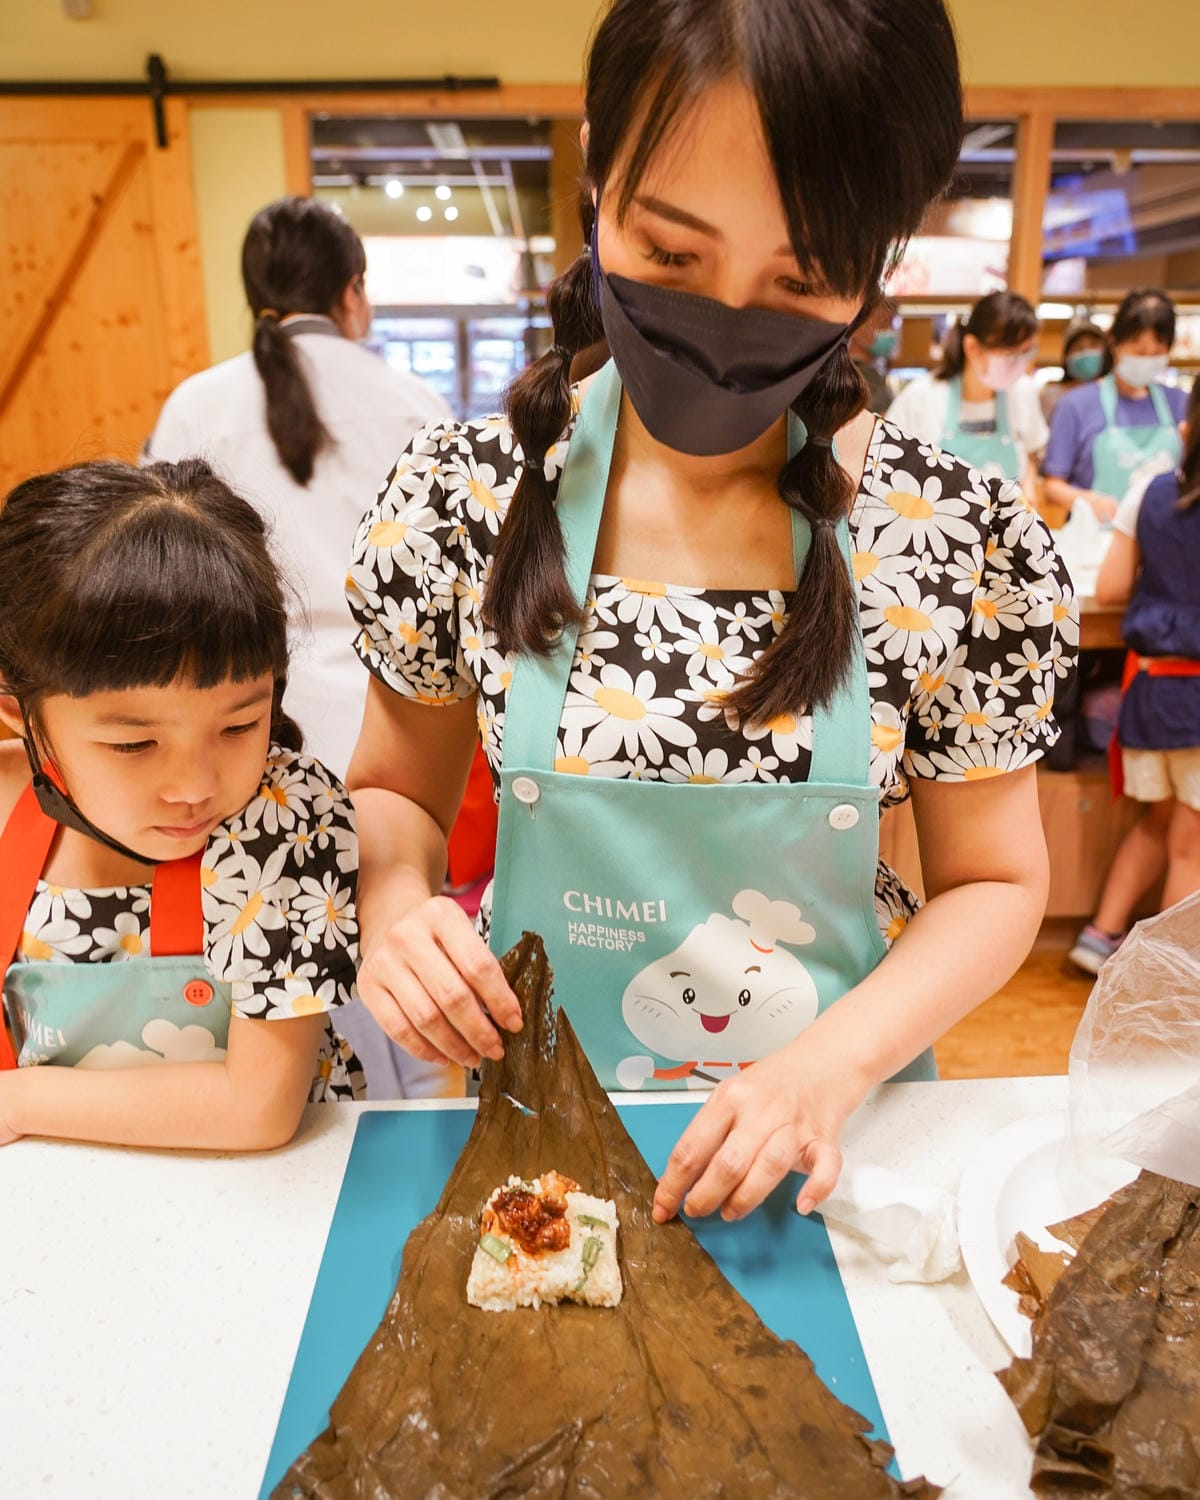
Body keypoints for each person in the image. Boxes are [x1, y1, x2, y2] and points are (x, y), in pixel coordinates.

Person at [344, 0, 1075, 1225]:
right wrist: (396, 908)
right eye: (671, 253)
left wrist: (823, 1068)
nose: (724, 319)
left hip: (830, 1159)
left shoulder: (952, 536)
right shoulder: (465, 497)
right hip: (532, 1156)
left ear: (880, 264)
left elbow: (997, 882)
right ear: (597, 171)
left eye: (802, 278)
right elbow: (397, 794)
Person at [0, 459, 364, 1151]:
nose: (194, 786)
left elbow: (254, 1107)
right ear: (19, 715)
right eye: (135, 744)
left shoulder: (285, 821)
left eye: (237, 726)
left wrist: (16, 1102)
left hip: (272, 1195)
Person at [146, 196, 452, 781]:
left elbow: (160, 575)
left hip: (241, 718)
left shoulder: (196, 405)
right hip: (399, 714)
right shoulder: (416, 405)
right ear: (352, 292)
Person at [1069, 379, 1200, 975]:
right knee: (1190, 845)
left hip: (1150, 693)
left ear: (1186, 430)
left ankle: (1099, 937)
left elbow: (1111, 590)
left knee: (1159, 823)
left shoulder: (1149, 492)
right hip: (1196, 697)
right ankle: (1163, 975)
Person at [1042, 289, 1187, 524]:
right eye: (1139, 351)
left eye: (1157, 353)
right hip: (1096, 543)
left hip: (1162, 539)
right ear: (1114, 342)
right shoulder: (1076, 405)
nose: (1147, 359)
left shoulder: (1180, 403)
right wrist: (1087, 500)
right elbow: (1052, 486)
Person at [887, 291, 1048, 495]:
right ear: (972, 347)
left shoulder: (1023, 392)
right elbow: (891, 466)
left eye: (1026, 352)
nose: (1019, 363)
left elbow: (1031, 453)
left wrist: (1030, 489)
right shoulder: (922, 397)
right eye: (1009, 354)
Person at [1040, 318, 1107, 424]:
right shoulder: (1052, 398)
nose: (1087, 352)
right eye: (1079, 347)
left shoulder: (1111, 395)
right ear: (1066, 357)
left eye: (1093, 345)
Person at [848, 308, 901, 415]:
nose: (889, 331)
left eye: (892, 323)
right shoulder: (856, 379)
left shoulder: (871, 374)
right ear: (858, 328)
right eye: (883, 323)